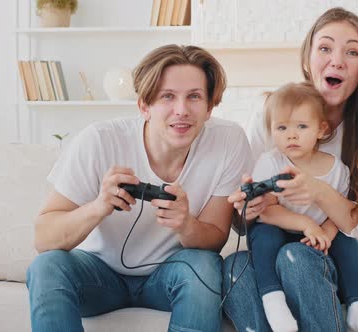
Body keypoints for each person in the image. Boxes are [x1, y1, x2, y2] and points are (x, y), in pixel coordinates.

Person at [26, 44, 253, 332]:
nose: (181, 111)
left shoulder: (228, 141)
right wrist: (98, 207)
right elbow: (43, 238)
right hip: (99, 273)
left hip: (169, 274)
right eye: (167, 97)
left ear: (209, 107)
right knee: (46, 267)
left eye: (194, 97)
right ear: (144, 106)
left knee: (204, 265)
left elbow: (215, 240)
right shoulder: (99, 140)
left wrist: (186, 225)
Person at [223, 7, 358, 332]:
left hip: (339, 261)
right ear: (308, 59)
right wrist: (247, 209)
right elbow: (243, 222)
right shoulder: (274, 115)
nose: (337, 60)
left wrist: (318, 193)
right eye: (325, 48)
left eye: (352, 52)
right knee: (235, 268)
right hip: (276, 249)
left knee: (296, 258)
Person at [246, 82, 358, 332]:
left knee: (348, 242)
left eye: (302, 127)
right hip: (282, 230)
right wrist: (306, 224)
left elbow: (339, 215)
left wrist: (326, 233)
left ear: (321, 129)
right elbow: (268, 210)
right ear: (271, 131)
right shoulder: (270, 161)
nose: (291, 135)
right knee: (263, 234)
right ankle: (273, 299)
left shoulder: (337, 168)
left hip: (318, 237)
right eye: (281, 128)